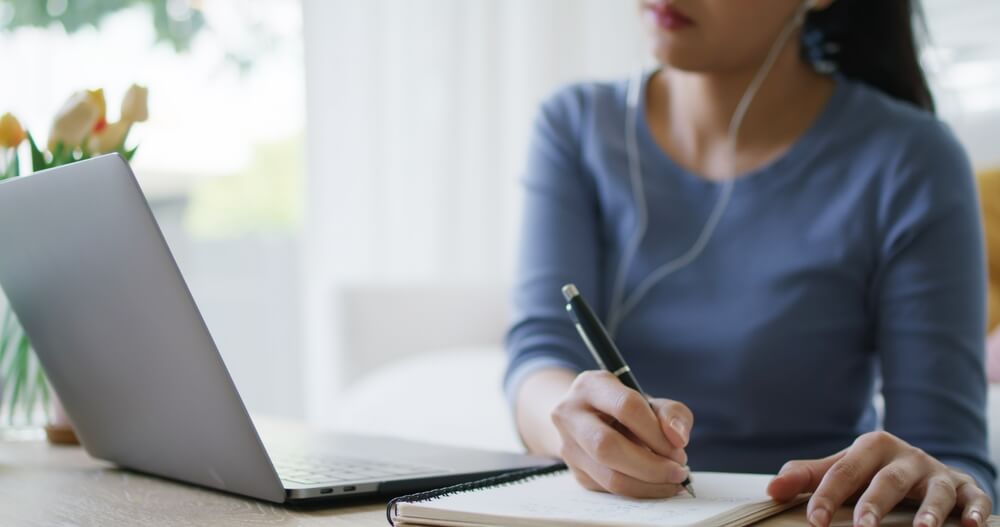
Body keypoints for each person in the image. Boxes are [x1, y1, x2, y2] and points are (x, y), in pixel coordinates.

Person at [503, 1, 997, 527]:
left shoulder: (913, 160)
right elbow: (541, 352)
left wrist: (923, 478)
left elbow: (948, 455)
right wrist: (576, 430)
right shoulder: (576, 127)